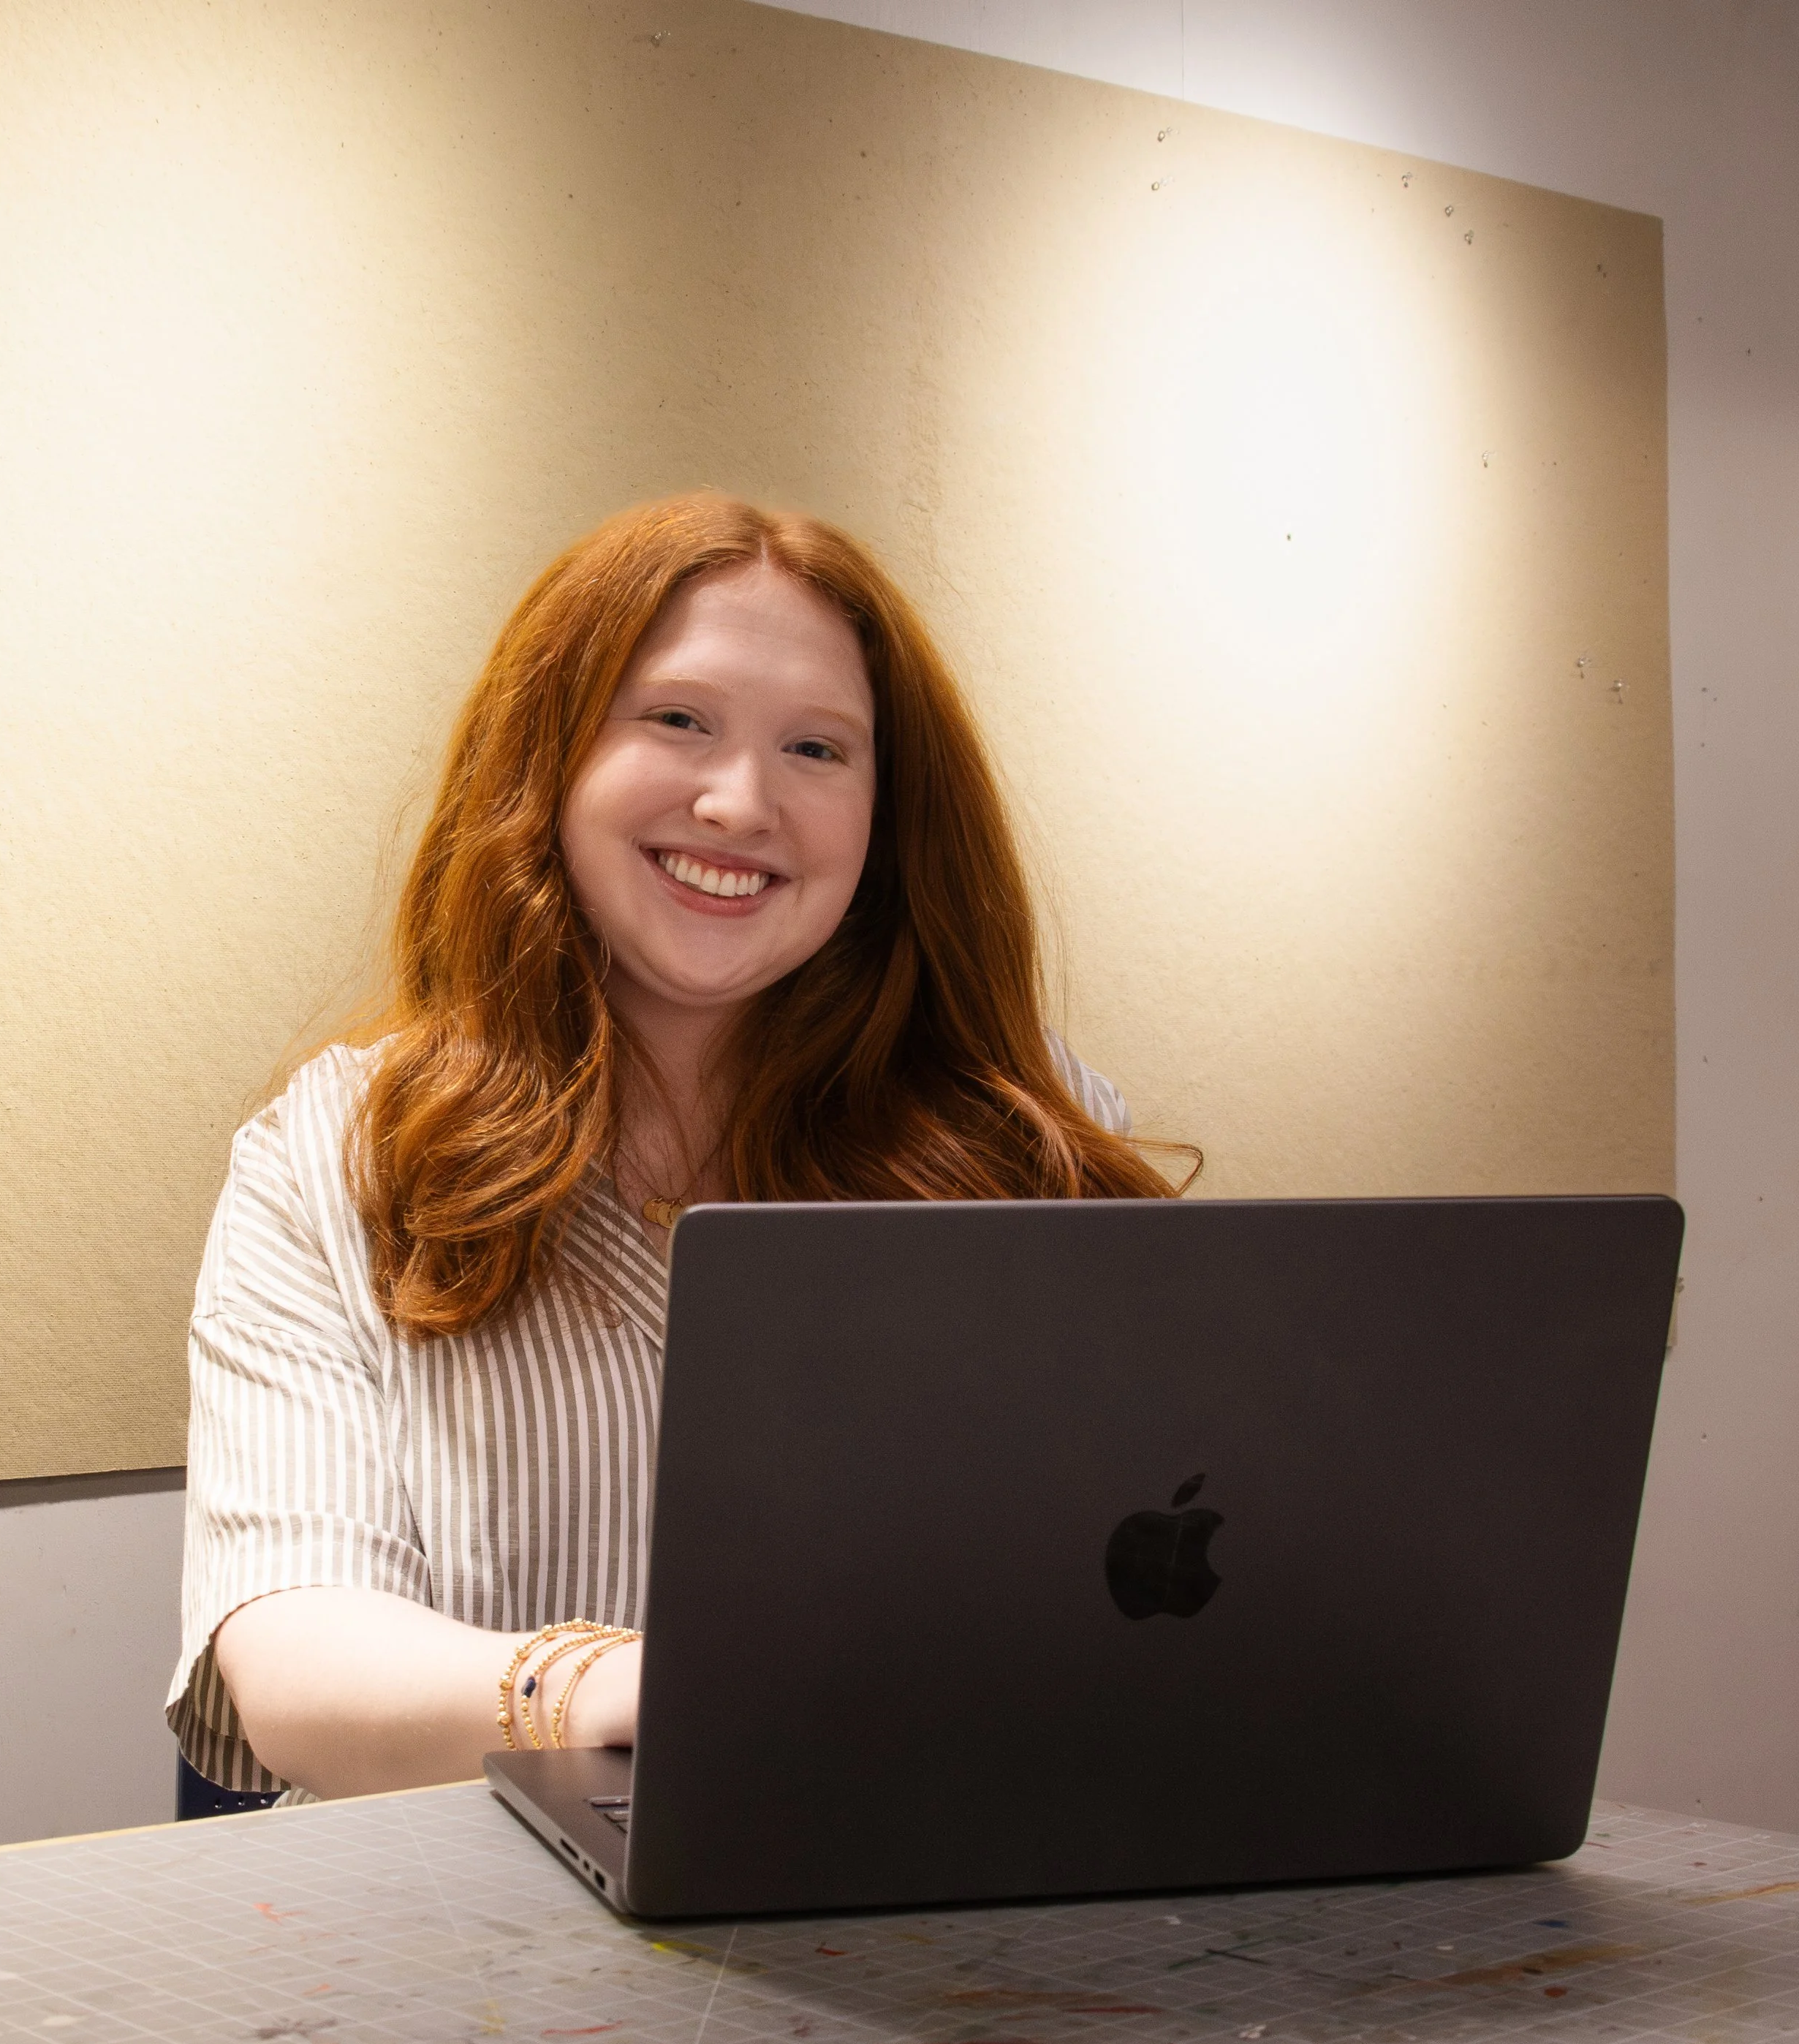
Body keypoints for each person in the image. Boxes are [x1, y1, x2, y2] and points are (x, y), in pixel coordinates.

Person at [167, 492, 1186, 1803]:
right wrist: (641, 1688)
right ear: (549, 758)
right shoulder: (335, 1156)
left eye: (819, 750)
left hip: (913, 1900)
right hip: (453, 1952)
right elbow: (300, 1674)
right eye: (677, 720)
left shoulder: (1024, 1140)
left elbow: (1155, 1582)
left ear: (887, 816)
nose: (738, 802)